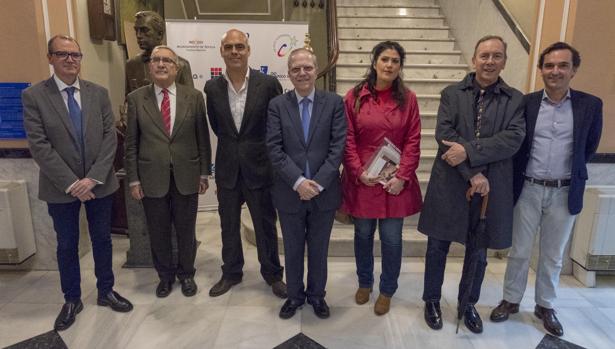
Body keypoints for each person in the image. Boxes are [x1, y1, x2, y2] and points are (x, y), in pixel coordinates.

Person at [490, 42, 602, 337]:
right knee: (520, 250)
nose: (555, 71)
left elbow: (587, 148)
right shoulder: (524, 103)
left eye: (563, 65)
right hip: (527, 188)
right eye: (549, 65)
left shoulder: (590, 105)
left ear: (573, 70)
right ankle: (511, 300)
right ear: (540, 69)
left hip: (565, 191)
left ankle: (545, 305)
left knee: (553, 254)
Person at [22, 35, 133, 331]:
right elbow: (39, 145)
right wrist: (73, 183)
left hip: (100, 184)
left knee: (103, 240)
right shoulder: (34, 96)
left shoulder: (98, 93)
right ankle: (72, 298)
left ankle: (106, 290)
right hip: (61, 189)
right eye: (62, 54)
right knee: (67, 244)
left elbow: (110, 137)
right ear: (50, 58)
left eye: (75, 54)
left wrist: (93, 178)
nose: (70, 59)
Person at [418, 35, 525, 333]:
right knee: (437, 246)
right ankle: (431, 300)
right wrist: (471, 172)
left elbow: (512, 139)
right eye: (484, 55)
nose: (489, 61)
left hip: (492, 187)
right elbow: (445, 135)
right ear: (474, 59)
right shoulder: (451, 94)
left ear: (504, 61)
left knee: (478, 251)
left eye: (497, 56)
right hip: (452, 182)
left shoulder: (516, 99)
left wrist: (469, 151)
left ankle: (468, 303)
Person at [341, 41, 423, 316]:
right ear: (374, 61)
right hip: (364, 179)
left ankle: (387, 289)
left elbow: (413, 140)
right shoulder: (354, 96)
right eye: (385, 59)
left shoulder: (408, 99)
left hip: (394, 183)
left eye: (395, 61)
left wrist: (402, 176)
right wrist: (357, 171)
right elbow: (347, 139)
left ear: (400, 66)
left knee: (391, 238)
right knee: (362, 234)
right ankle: (365, 282)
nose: (389, 65)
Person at [204, 29, 286, 298]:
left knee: (264, 224)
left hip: (260, 167)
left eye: (240, 46)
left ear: (249, 50)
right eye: (229, 47)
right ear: (221, 51)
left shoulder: (268, 83)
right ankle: (231, 273)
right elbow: (218, 127)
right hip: (227, 168)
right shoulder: (212, 87)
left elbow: (276, 127)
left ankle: (273, 274)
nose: (235, 51)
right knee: (228, 225)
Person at [124, 45, 211, 298]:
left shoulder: (193, 97)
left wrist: (204, 173)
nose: (161, 64)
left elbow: (202, 138)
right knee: (158, 230)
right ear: (150, 66)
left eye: (167, 61)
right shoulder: (137, 99)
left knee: (186, 230)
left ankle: (186, 275)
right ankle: (164, 276)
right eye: (156, 60)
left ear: (177, 67)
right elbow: (131, 143)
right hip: (151, 178)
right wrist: (133, 179)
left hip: (187, 176)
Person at [267, 48, 347, 319]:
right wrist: (299, 182)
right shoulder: (277, 105)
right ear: (289, 73)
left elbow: (338, 147)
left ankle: (316, 296)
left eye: (307, 68)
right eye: (296, 69)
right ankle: (294, 296)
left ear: (316, 71)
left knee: (318, 249)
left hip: (323, 194)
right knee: (291, 248)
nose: (302, 73)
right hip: (289, 192)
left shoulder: (334, 103)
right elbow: (274, 148)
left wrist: (317, 184)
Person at [125, 11, 193, 95]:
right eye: (136, 30)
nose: (138, 35)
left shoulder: (181, 65)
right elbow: (128, 101)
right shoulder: (131, 64)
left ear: (160, 34)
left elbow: (190, 102)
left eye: (144, 30)